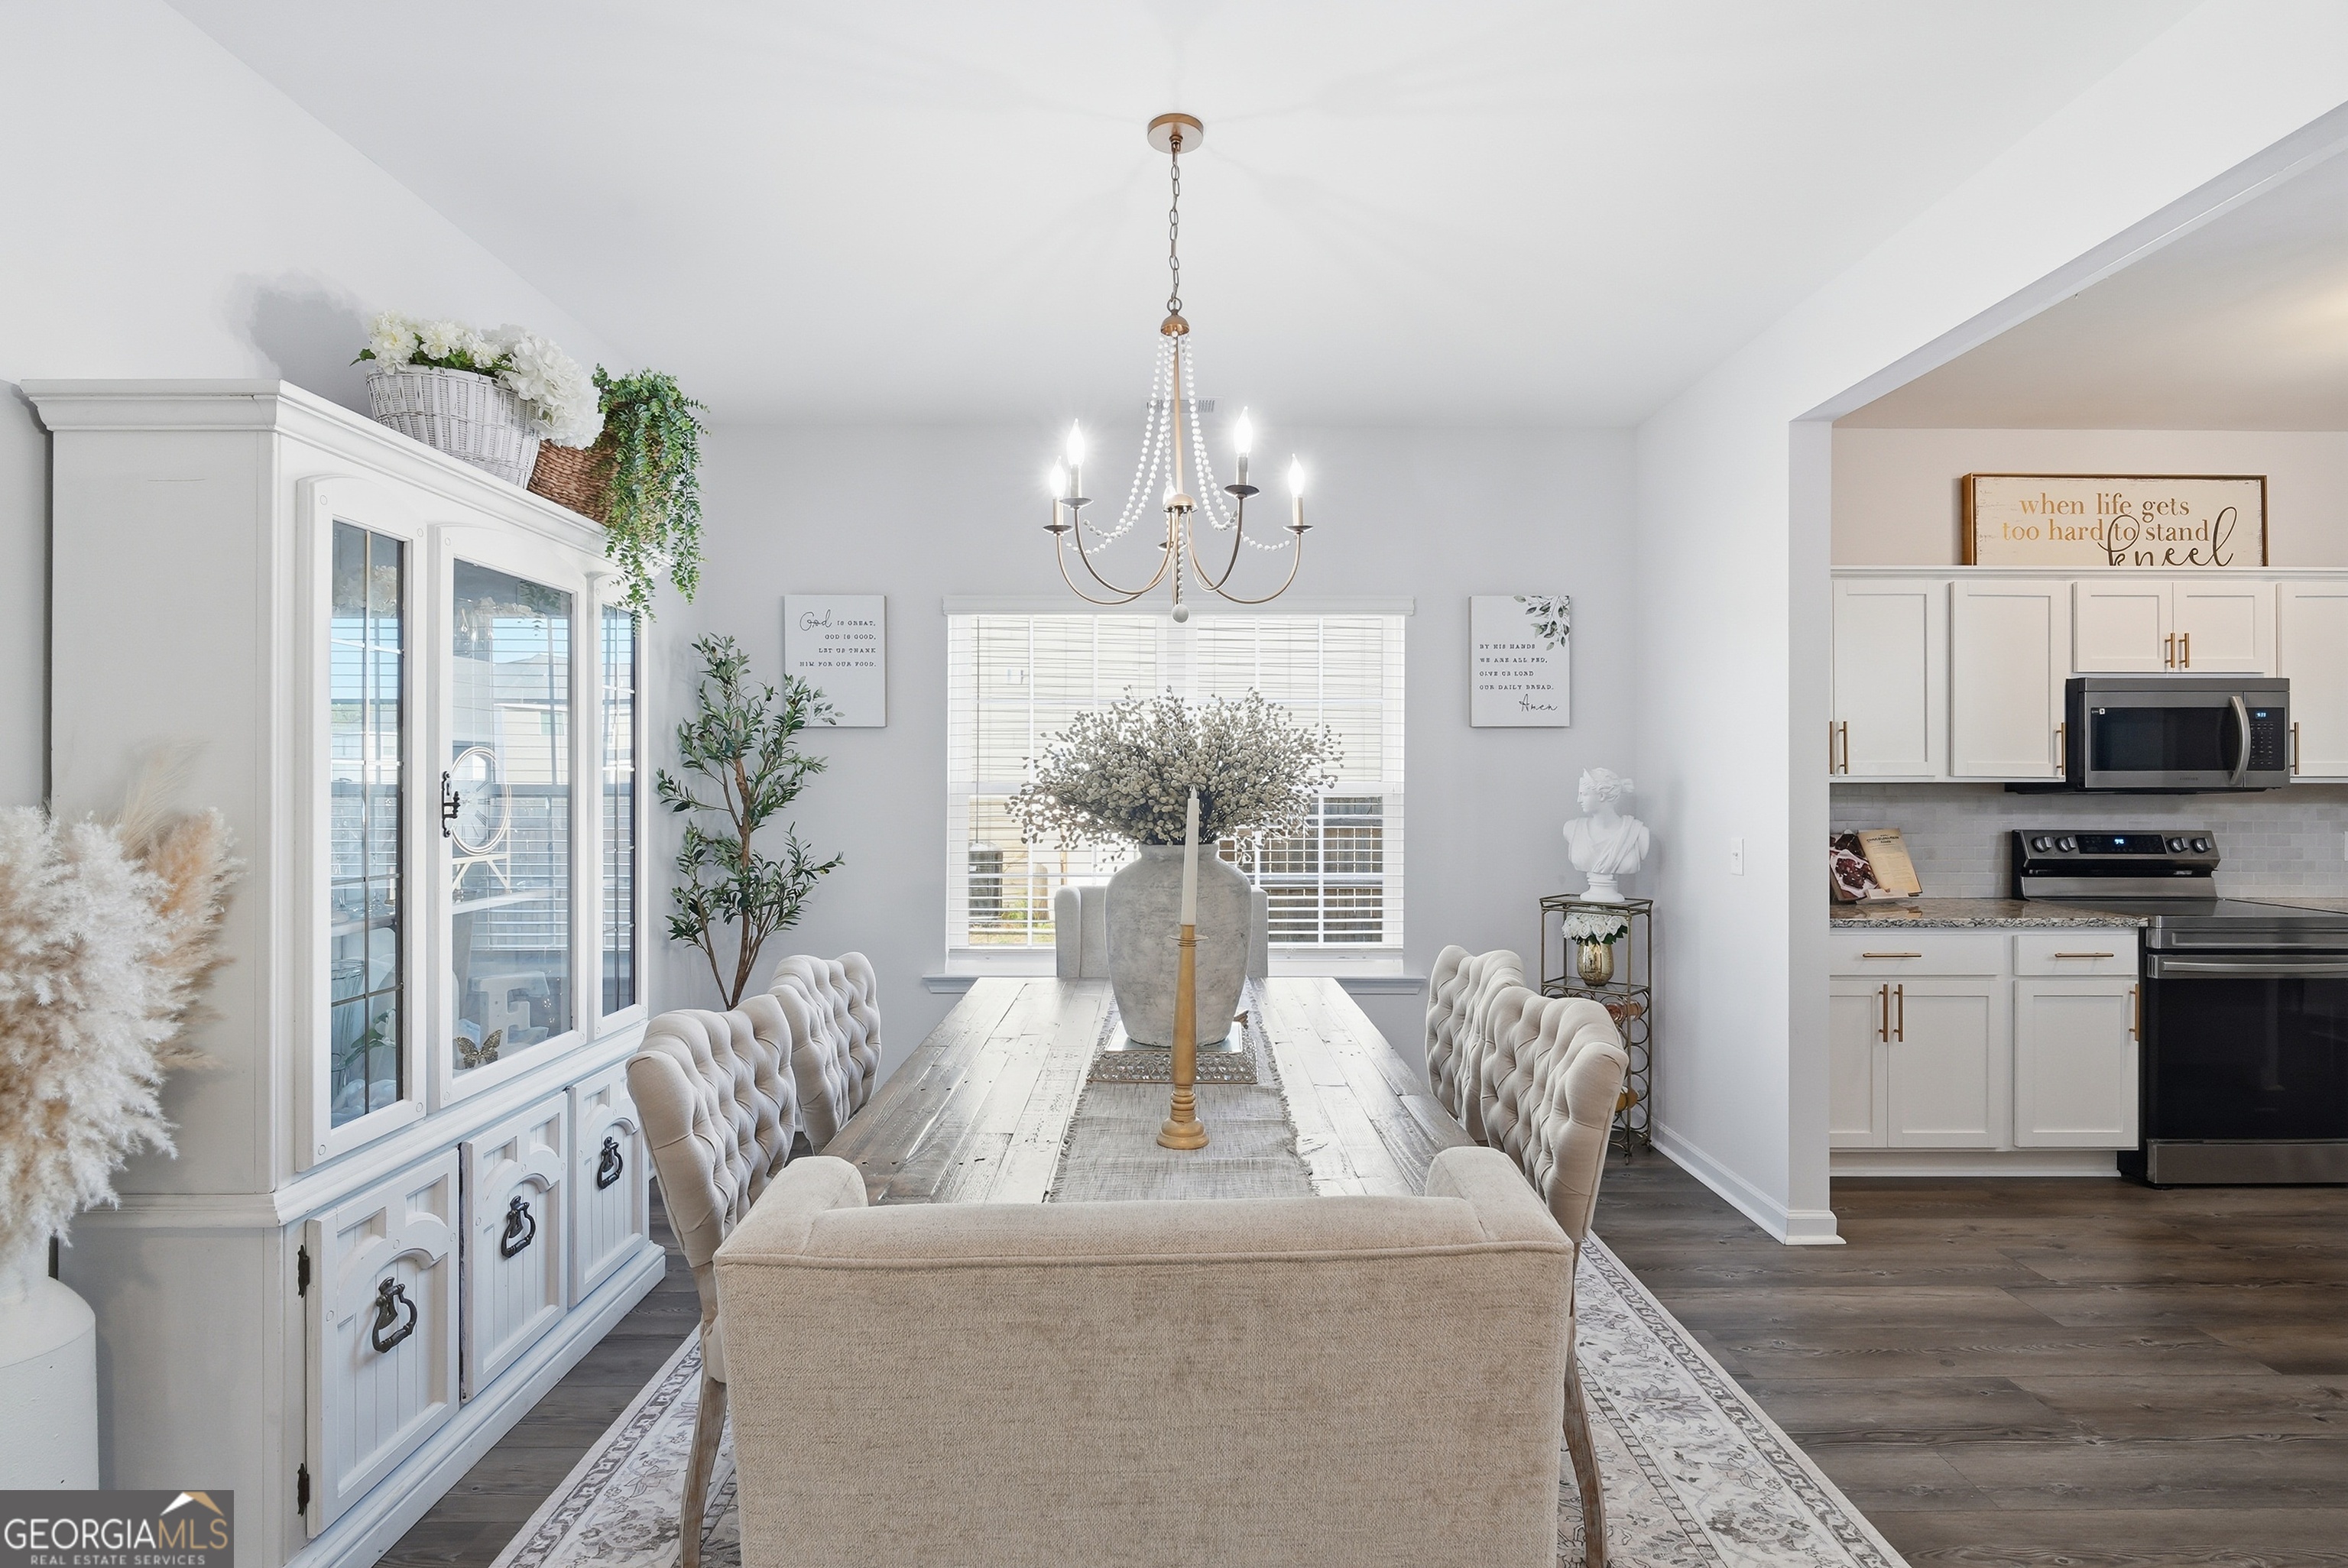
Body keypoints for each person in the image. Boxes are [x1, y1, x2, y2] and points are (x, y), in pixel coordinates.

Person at [1562, 768, 1650, 902]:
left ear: (1602, 796)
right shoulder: (1572, 829)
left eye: (1584, 794)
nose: (1578, 800)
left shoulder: (1638, 833)